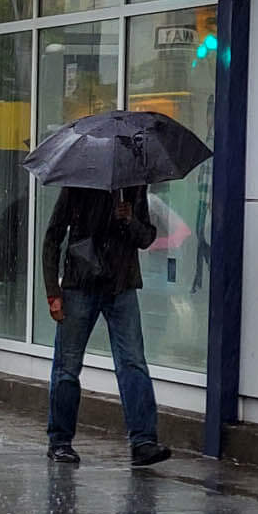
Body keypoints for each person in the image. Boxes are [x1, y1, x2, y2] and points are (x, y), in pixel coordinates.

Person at [41, 185, 171, 468]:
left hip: (121, 285)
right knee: (67, 365)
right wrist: (53, 291)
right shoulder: (77, 184)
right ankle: (60, 441)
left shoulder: (133, 185)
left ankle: (143, 442)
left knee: (133, 362)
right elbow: (53, 235)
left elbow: (146, 237)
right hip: (80, 285)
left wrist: (129, 219)